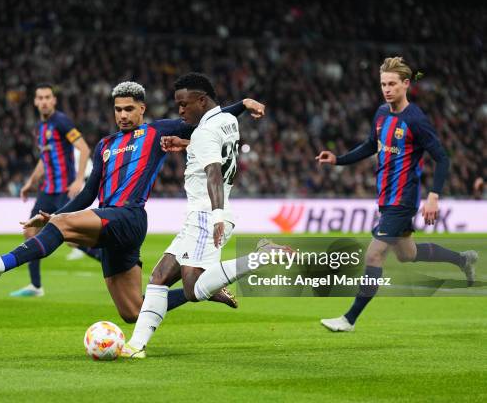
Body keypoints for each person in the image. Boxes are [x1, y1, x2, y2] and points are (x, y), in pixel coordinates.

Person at [0, 81, 262, 321]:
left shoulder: (158, 130)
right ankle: (201, 290)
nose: (122, 115)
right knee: (134, 311)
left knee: (63, 227)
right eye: (118, 109)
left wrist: (243, 106)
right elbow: (87, 193)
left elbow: (208, 119)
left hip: (129, 216)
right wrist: (53, 215)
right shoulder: (105, 145)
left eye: (129, 109)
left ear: (142, 109)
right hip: (109, 221)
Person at [121, 73, 292, 358]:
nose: (180, 111)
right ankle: (136, 346)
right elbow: (219, 153)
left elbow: (213, 171)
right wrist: (188, 146)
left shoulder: (203, 132)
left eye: (184, 104)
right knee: (160, 276)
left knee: (193, 290)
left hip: (206, 216)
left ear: (201, 101)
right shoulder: (227, 121)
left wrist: (216, 217)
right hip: (200, 216)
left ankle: (264, 256)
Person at [315, 57, 478, 332]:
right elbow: (370, 145)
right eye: (383, 84)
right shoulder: (381, 114)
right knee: (407, 254)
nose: (387, 89)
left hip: (403, 200)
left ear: (406, 85)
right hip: (386, 198)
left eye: (392, 84)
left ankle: (349, 319)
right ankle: (462, 259)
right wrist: (338, 160)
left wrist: (434, 195)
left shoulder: (416, 119)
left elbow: (443, 158)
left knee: (374, 255)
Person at [10, 83, 96, 297]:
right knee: (30, 232)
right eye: (40, 97)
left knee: (72, 239)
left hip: (62, 191)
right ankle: (36, 286)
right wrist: (31, 182)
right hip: (46, 191)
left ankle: (113, 262)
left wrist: (78, 180)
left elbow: (84, 149)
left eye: (48, 97)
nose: (44, 101)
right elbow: (44, 159)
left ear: (54, 100)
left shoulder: (61, 121)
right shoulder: (40, 127)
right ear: (35, 102)